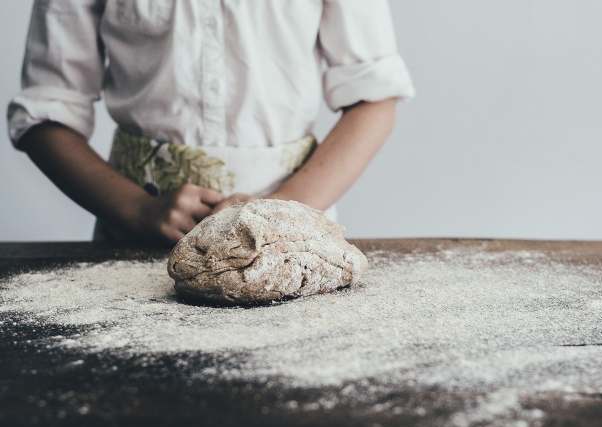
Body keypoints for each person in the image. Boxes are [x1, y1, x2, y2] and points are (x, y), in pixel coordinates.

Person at [8, 0, 414, 244]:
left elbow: (373, 99)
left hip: (293, 234)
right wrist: (138, 210)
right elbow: (46, 111)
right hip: (135, 238)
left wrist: (280, 214)